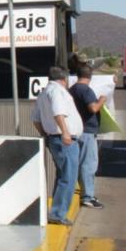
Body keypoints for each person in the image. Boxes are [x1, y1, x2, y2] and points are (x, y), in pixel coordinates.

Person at [31, 66, 83, 225]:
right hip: (65, 139)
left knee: (62, 175)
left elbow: (36, 119)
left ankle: (56, 211)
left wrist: (45, 134)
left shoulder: (43, 93)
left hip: (55, 138)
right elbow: (58, 112)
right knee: (68, 176)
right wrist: (65, 132)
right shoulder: (58, 92)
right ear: (64, 79)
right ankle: (58, 214)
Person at [69, 65, 108, 209]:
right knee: (89, 164)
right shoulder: (85, 90)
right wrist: (102, 100)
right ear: (90, 76)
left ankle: (85, 192)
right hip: (87, 132)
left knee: (79, 163)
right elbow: (93, 108)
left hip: (77, 130)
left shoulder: (72, 89)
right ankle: (87, 197)